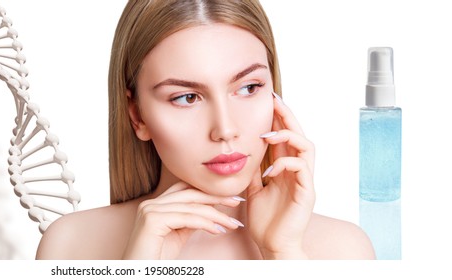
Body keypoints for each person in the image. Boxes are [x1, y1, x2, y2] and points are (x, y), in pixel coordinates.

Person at [36, 0, 375, 259]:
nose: (225, 130)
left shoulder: (342, 250)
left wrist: (284, 254)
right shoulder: (71, 245)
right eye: (187, 97)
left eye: (248, 88)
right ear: (137, 114)